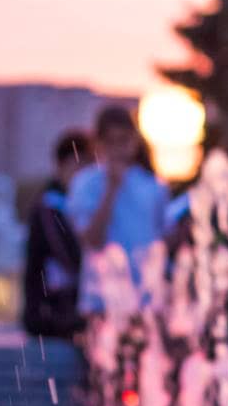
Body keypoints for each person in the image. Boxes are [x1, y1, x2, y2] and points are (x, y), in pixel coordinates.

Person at [65, 104, 169, 306]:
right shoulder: (85, 184)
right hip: (101, 300)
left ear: (134, 141)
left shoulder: (153, 185)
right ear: (99, 144)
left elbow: (161, 240)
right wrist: (111, 190)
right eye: (110, 142)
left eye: (123, 141)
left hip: (145, 300)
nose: (117, 149)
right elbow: (91, 240)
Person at [22, 130, 91, 338]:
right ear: (60, 166)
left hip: (66, 311)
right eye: (77, 167)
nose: (82, 176)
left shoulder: (70, 205)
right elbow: (70, 257)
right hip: (49, 313)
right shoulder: (49, 206)